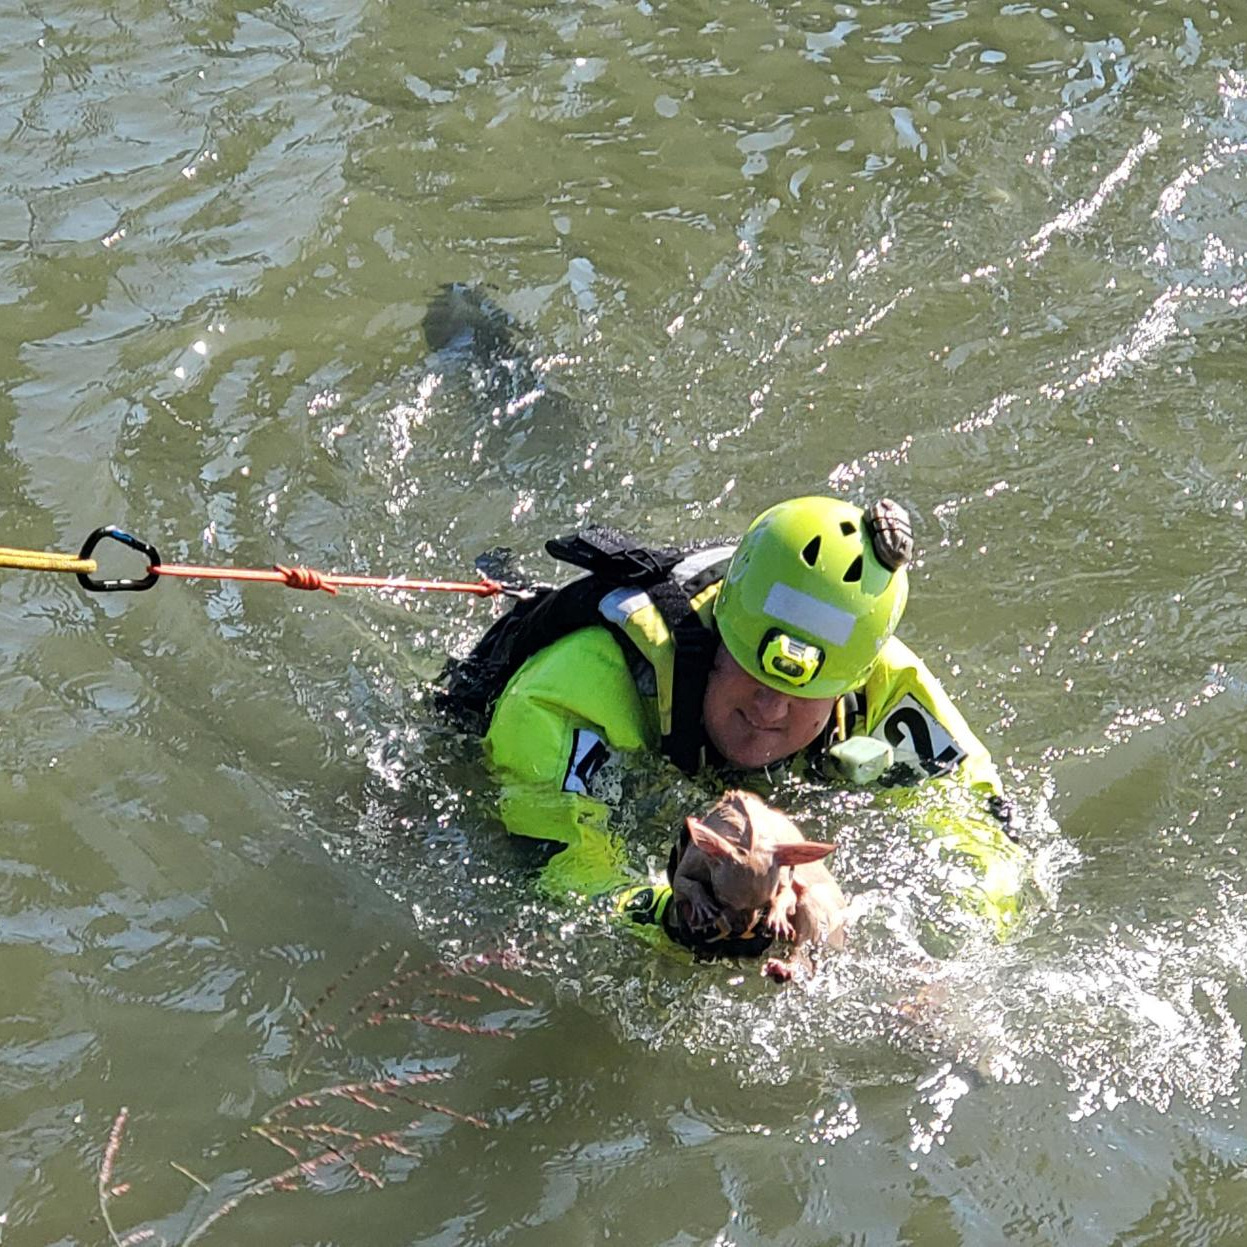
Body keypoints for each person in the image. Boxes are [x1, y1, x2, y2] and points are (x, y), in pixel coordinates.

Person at [441, 495, 1028, 953]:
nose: (769, 712)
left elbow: (985, 830)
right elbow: (562, 870)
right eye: (752, 674)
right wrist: (670, 919)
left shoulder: (879, 678)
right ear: (720, 635)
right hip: (483, 715)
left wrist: (943, 961)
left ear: (853, 681)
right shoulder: (574, 692)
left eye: (806, 697)